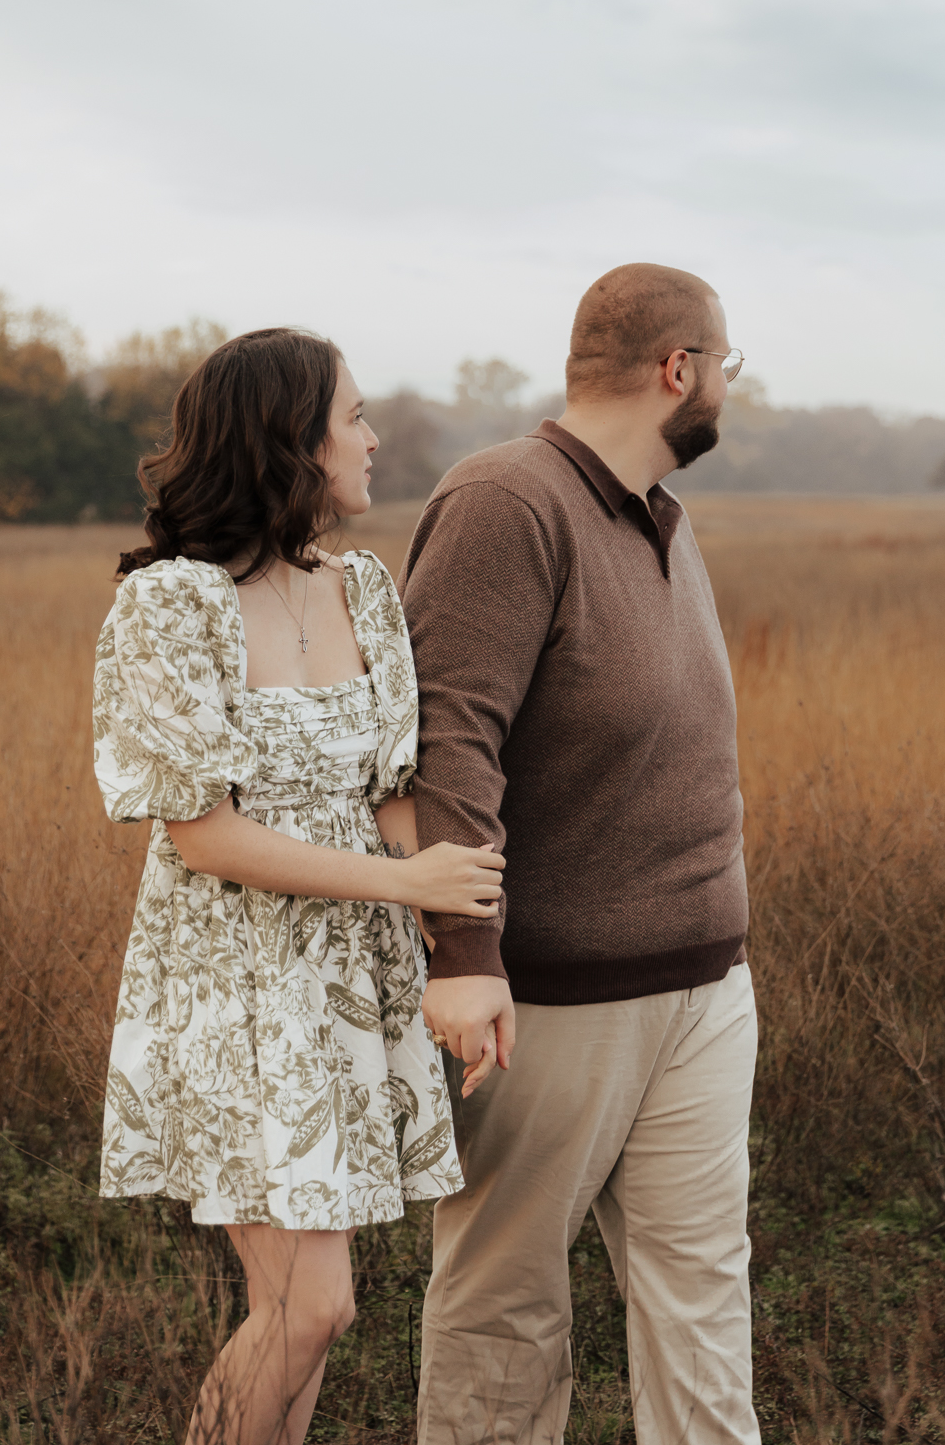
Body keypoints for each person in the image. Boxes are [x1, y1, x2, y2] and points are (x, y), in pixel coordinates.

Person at [91, 327, 505, 1445]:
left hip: (346, 989)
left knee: (309, 1314)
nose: (374, 440)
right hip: (235, 982)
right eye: (355, 418)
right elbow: (206, 836)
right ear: (291, 439)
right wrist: (398, 879)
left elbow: (388, 793)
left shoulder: (363, 589)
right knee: (307, 1304)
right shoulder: (170, 605)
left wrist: (456, 949)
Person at [400, 263, 760, 1444]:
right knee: (504, 1306)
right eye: (726, 365)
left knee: (702, 1294)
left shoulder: (663, 514)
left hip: (704, 986)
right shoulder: (507, 500)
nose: (727, 388)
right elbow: (445, 734)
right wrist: (462, 952)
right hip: (546, 998)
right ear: (679, 370)